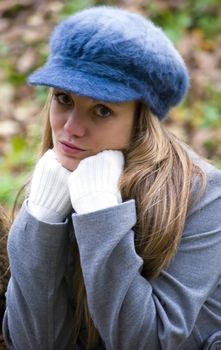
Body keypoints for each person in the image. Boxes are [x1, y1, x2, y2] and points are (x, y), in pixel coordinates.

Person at [2, 5, 221, 350]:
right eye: (63, 99)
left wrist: (100, 215)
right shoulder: (60, 179)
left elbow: (146, 343)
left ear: (141, 123)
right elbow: (34, 342)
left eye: (102, 110)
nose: (71, 129)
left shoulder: (204, 197)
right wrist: (41, 221)